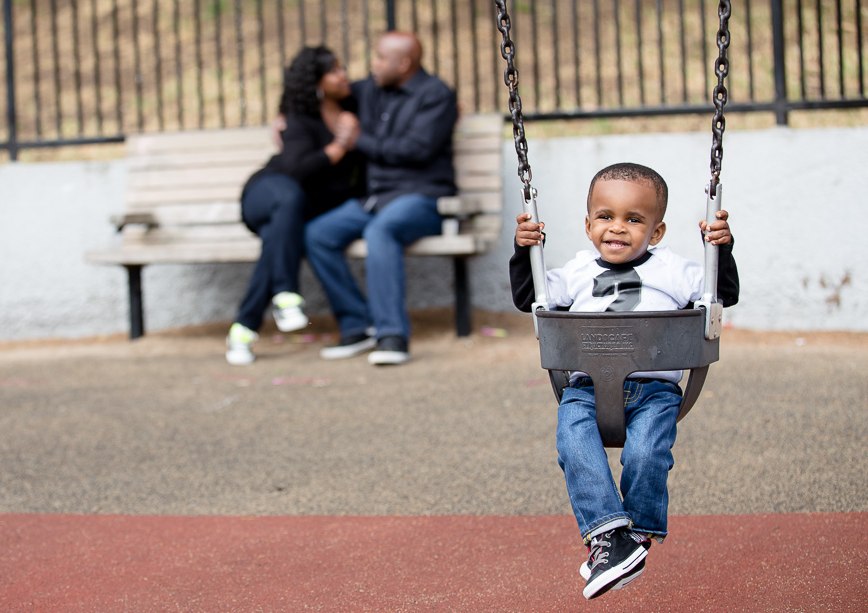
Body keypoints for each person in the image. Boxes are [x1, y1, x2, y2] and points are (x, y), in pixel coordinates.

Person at [509, 162, 740, 600]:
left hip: (654, 388)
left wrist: (721, 249)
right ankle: (608, 536)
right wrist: (524, 252)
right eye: (605, 217)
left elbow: (719, 295)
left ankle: (637, 533)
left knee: (646, 452)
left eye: (634, 219)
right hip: (585, 387)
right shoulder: (575, 271)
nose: (617, 228)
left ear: (656, 232)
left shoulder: (675, 270)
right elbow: (530, 299)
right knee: (573, 445)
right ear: (588, 224)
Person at [304, 31, 458, 366]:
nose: (372, 64)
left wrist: (359, 139)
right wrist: (286, 112)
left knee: (380, 231)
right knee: (317, 234)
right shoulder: (369, 90)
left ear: (403, 63)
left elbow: (417, 151)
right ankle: (357, 325)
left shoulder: (436, 95)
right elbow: (327, 91)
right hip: (374, 200)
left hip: (422, 198)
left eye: (379, 58)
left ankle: (392, 337)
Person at [225, 46, 364, 365]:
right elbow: (295, 170)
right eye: (334, 71)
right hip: (268, 192)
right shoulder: (300, 119)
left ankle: (242, 331)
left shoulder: (353, 103)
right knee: (290, 196)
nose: (343, 75)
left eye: (342, 68)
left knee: (279, 239)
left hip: (296, 213)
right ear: (316, 81)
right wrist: (339, 145)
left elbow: (386, 85)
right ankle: (286, 293)